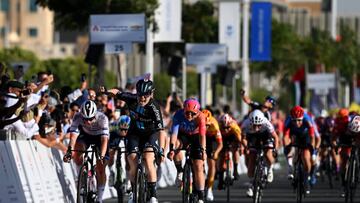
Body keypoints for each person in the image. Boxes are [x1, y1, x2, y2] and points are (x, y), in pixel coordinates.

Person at [108, 78, 166, 203]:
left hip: (150, 134)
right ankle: (134, 191)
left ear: (151, 94)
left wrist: (161, 150)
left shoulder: (154, 107)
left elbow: (161, 131)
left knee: (148, 159)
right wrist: (106, 91)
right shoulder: (131, 98)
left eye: (146, 96)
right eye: (140, 95)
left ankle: (153, 194)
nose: (142, 99)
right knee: (132, 160)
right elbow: (117, 92)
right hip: (134, 134)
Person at [63, 100, 110, 203]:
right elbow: (73, 136)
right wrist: (70, 150)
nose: (88, 122)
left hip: (100, 137)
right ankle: (81, 175)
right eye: (85, 119)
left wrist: (101, 157)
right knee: (78, 149)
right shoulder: (77, 116)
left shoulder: (102, 118)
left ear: (95, 115)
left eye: (91, 119)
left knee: (101, 167)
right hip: (86, 135)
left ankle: (100, 198)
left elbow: (104, 140)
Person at [167, 98, 207, 203]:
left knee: (198, 165)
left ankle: (201, 196)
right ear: (183, 110)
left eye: (192, 114)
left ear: (197, 112)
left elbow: (202, 136)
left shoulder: (201, 117)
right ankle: (180, 170)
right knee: (175, 146)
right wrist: (171, 149)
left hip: (196, 137)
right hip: (183, 135)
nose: (189, 116)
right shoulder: (178, 115)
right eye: (187, 113)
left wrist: (203, 150)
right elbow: (174, 134)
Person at [241, 110, 279, 197]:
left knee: (267, 153)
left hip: (265, 135)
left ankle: (270, 169)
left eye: (259, 125)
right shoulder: (245, 124)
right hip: (252, 137)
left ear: (262, 122)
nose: (257, 127)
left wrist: (275, 150)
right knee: (251, 160)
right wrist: (246, 147)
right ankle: (251, 185)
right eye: (254, 125)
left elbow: (276, 137)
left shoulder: (266, 123)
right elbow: (243, 138)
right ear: (250, 122)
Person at [283, 105, 315, 195]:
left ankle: (306, 178)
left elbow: (312, 137)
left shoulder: (307, 120)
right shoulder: (288, 120)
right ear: (291, 118)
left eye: (299, 120)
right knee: (290, 150)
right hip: (294, 135)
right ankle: (291, 168)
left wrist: (311, 147)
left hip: (305, 136)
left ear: (302, 118)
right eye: (294, 121)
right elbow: (285, 136)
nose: (297, 123)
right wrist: (287, 146)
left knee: (306, 157)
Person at [202, 109, 223, 201]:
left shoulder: (214, 125)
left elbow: (220, 144)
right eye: (204, 125)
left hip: (211, 140)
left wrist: (216, 152)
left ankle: (209, 188)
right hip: (199, 137)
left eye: (207, 125)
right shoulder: (197, 122)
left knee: (212, 165)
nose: (206, 127)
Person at [217, 113, 242, 188]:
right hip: (222, 138)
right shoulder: (218, 125)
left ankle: (235, 169)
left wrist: (240, 147)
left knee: (235, 150)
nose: (226, 130)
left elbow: (239, 139)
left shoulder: (234, 126)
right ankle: (221, 178)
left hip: (232, 136)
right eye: (224, 128)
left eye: (228, 128)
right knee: (221, 156)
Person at [331, 108, 352, 197]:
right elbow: (334, 137)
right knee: (344, 160)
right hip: (344, 140)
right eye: (341, 117)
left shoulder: (352, 120)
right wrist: (335, 145)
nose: (343, 119)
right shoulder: (337, 123)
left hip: (353, 137)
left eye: (344, 117)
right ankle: (344, 184)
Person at [108, 115, 131, 187]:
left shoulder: (132, 129)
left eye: (125, 130)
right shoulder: (112, 127)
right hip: (115, 136)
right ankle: (111, 172)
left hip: (128, 137)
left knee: (128, 158)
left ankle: (128, 181)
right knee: (110, 154)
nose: (123, 131)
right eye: (121, 129)